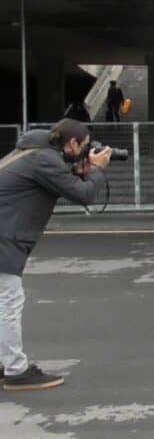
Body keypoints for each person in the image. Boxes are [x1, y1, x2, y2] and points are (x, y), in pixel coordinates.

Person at [0, 119, 111, 390]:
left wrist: (77, 172)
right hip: (4, 240)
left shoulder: (33, 152)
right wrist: (97, 170)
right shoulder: (44, 160)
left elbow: (58, 183)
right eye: (85, 146)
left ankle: (7, 364)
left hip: (6, 236)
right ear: (72, 143)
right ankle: (16, 371)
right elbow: (84, 195)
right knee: (9, 303)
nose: (87, 151)